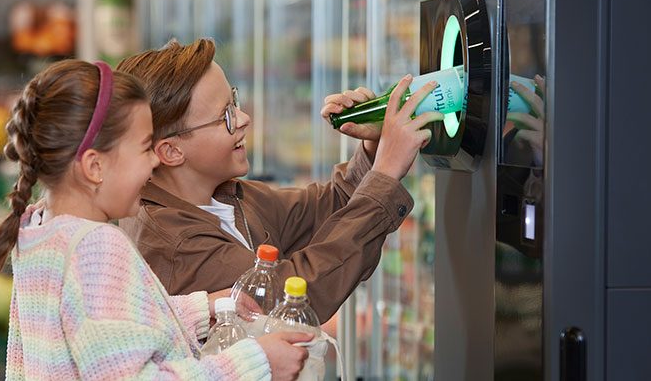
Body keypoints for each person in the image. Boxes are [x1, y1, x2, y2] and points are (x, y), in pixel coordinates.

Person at [0, 59, 312, 380]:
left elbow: (105, 334)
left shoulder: (40, 230)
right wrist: (256, 363)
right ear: (95, 167)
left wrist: (203, 308)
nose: (155, 162)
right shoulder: (96, 248)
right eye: (145, 148)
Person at [116, 38, 444, 323]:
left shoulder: (223, 197)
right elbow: (293, 293)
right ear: (171, 151)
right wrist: (385, 173)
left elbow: (325, 211)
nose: (244, 119)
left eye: (235, 102)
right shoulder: (176, 245)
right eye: (225, 117)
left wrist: (373, 149)